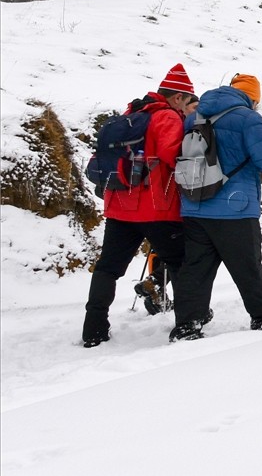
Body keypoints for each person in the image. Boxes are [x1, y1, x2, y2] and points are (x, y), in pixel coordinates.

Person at [81, 64, 198, 347]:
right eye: (186, 101)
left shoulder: (131, 113)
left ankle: (93, 330)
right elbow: (174, 157)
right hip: (158, 208)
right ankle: (187, 325)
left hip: (119, 205)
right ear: (178, 97)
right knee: (181, 263)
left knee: (108, 267)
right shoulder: (166, 117)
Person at [170, 73, 262, 341]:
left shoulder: (194, 116)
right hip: (235, 207)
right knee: (247, 265)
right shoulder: (248, 118)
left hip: (194, 204)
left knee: (196, 268)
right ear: (253, 98)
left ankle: (187, 325)